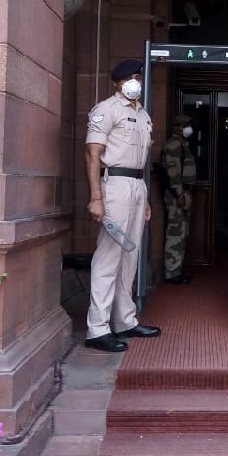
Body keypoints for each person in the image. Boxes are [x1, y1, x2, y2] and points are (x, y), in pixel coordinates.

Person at [84, 59, 162, 353]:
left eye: (139, 77)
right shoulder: (106, 110)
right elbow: (93, 155)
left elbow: (141, 163)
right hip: (114, 185)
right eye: (130, 77)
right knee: (109, 256)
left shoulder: (143, 115)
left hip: (136, 186)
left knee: (130, 256)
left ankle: (125, 321)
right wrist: (95, 197)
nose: (135, 82)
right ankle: (98, 328)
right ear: (117, 82)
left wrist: (145, 199)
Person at [160, 114, 196, 284]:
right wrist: (179, 194)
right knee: (175, 232)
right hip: (178, 194)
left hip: (184, 193)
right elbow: (173, 172)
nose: (188, 128)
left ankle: (176, 269)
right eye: (185, 125)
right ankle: (172, 272)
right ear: (177, 126)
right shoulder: (174, 144)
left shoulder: (182, 144)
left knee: (181, 232)